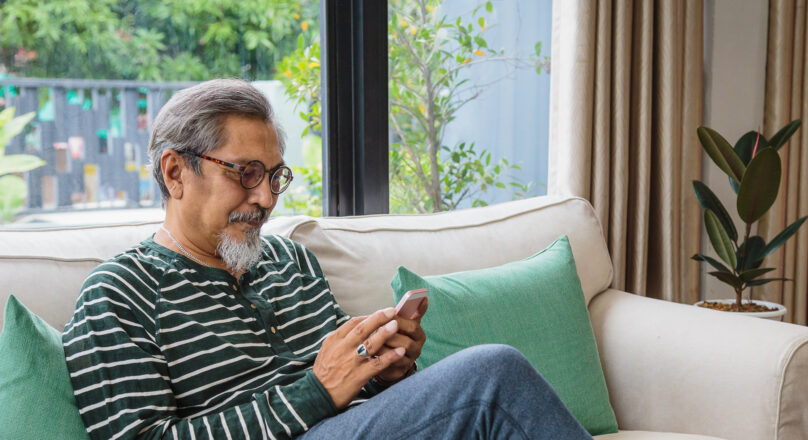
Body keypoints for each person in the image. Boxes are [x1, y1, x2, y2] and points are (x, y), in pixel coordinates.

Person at [62, 79, 593, 440]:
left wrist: (386, 369)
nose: (267, 198)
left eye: (274, 176)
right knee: (491, 375)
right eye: (245, 173)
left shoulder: (291, 262)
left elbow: (350, 388)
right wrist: (313, 393)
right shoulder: (119, 292)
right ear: (175, 172)